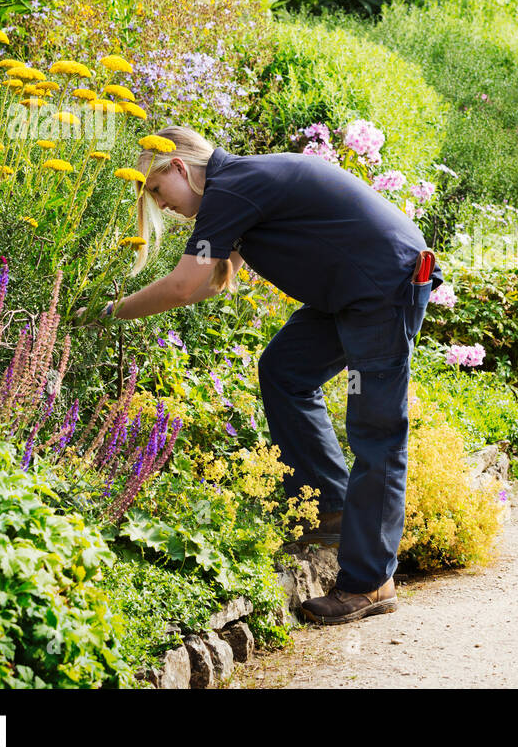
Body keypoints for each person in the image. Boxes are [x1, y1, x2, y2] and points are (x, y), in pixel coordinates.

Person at [77, 124, 443, 625]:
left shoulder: (230, 188)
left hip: (383, 286)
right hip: (354, 291)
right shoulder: (237, 189)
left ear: (181, 167)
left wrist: (108, 311)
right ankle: (330, 507)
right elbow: (208, 283)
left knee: (375, 430)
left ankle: (371, 582)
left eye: (158, 191)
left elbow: (184, 286)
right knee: (285, 369)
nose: (160, 205)